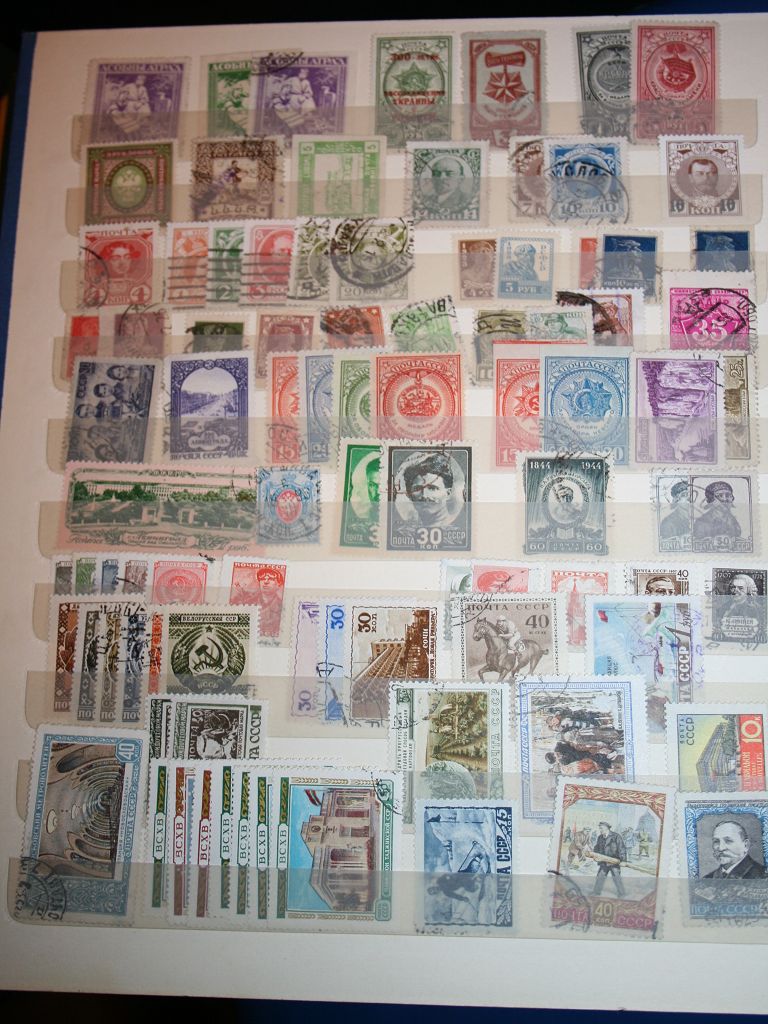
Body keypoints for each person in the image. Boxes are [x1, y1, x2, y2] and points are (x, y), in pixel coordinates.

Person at [402, 453, 459, 531]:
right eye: (417, 489)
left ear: (448, 493)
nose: (424, 495)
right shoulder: (405, 531)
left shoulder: (457, 529)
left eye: (432, 488)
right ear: (409, 494)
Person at [703, 820, 768, 879]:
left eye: (728, 841)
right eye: (716, 841)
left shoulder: (763, 875)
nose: (721, 848)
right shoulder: (707, 878)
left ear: (746, 845)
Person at [591, 821, 627, 896]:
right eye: (599, 828)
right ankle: (596, 893)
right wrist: (595, 855)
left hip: (614, 862)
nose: (600, 830)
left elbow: (622, 848)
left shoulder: (616, 836)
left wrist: (623, 860)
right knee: (600, 877)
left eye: (601, 828)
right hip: (603, 862)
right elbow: (597, 848)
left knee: (616, 878)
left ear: (607, 828)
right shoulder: (600, 837)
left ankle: (622, 894)